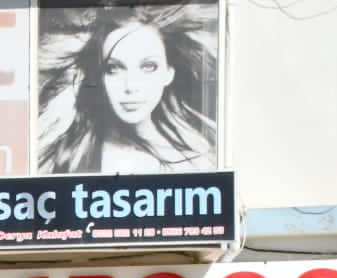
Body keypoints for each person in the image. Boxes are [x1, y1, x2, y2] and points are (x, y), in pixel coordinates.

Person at [39, 4, 217, 175]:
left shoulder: (195, 161)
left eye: (148, 67)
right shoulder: (73, 154)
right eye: (113, 69)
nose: (131, 87)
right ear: (100, 76)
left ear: (168, 73)